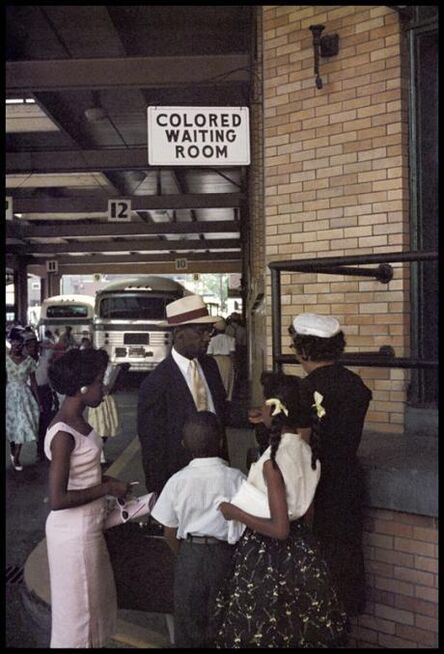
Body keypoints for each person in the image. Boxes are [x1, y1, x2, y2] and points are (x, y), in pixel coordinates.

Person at [212, 373, 349, 648]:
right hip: (304, 552)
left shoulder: (272, 463)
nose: (259, 409)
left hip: (268, 557)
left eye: (263, 404)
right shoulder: (309, 453)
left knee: (264, 628)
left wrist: (233, 511)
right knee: (300, 629)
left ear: (274, 409)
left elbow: (280, 528)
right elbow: (306, 513)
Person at [44, 348, 131, 648]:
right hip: (73, 535)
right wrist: (106, 489)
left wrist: (107, 481)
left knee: (94, 609)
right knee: (79, 617)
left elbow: (82, 475)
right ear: (81, 389)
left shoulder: (79, 421)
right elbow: (57, 498)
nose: (103, 388)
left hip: (88, 527)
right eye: (98, 381)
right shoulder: (63, 435)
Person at [289, 312, 372, 616]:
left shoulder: (303, 390)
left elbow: (300, 445)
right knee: (347, 555)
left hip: (316, 487)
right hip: (349, 481)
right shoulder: (355, 385)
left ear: (304, 350)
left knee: (318, 560)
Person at [151, 411, 245, 648]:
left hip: (189, 556)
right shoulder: (236, 479)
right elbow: (246, 524)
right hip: (226, 555)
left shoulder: (177, 481)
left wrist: (184, 555)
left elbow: (168, 531)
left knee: (188, 624)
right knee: (225, 621)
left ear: (184, 445)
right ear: (222, 441)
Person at [137, 294, 228, 495]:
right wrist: (160, 494)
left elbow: (221, 411)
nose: (208, 337)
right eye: (201, 332)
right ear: (179, 334)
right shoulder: (156, 384)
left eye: (209, 331)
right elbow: (152, 448)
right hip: (181, 484)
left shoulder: (210, 366)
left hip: (219, 475)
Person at [6, 327, 40, 471]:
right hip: (9, 395)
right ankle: (13, 450)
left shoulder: (29, 361)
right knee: (12, 426)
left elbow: (33, 382)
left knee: (23, 423)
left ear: (22, 346)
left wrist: (38, 400)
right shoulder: (6, 360)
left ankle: (17, 456)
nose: (16, 348)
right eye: (14, 345)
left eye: (19, 345)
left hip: (24, 395)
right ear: (11, 345)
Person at [23, 331, 58, 462]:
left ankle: (43, 450)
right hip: (30, 393)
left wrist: (54, 394)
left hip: (45, 392)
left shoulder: (44, 360)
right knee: (34, 422)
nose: (32, 348)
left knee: (46, 420)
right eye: (29, 346)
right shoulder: (24, 362)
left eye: (34, 346)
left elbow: (50, 378)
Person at [88, 350, 121, 464]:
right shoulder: (95, 370)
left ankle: (100, 452)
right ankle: (99, 454)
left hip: (105, 400)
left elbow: (109, 386)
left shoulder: (109, 369)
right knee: (99, 429)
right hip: (101, 400)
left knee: (104, 429)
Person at [206, 318, 236, 400]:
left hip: (215, 361)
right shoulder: (231, 339)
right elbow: (232, 354)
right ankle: (227, 399)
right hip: (227, 361)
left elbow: (209, 354)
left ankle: (217, 399)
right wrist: (234, 366)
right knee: (228, 382)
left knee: (216, 382)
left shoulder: (211, 340)